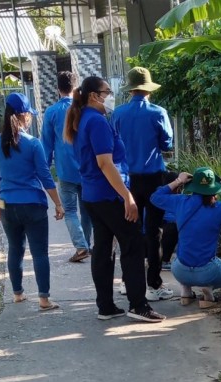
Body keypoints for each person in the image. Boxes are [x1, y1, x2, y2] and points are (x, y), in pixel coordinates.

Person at [64, 75, 165, 323]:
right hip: (108, 195)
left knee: (103, 249)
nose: (110, 96)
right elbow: (105, 163)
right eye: (106, 92)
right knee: (132, 246)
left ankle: (106, 306)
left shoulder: (83, 119)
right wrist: (127, 197)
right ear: (93, 96)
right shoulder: (96, 121)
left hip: (92, 195)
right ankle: (138, 304)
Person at [0, 93, 63, 312]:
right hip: (33, 205)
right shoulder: (32, 144)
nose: (30, 117)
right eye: (29, 113)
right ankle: (44, 299)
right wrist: (58, 204)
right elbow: (45, 177)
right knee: (40, 253)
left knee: (15, 249)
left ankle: (18, 294)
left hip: (8, 206)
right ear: (23, 115)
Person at [110, 67, 175, 302]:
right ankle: (154, 284)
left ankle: (128, 281)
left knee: (130, 230)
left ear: (130, 88)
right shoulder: (158, 112)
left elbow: (113, 145)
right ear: (148, 89)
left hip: (127, 180)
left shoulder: (117, 114)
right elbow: (167, 144)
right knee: (154, 231)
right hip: (153, 178)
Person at [150, 167, 221, 307]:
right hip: (206, 273)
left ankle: (186, 291)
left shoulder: (180, 201)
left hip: (179, 270)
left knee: (182, 258)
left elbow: (155, 197)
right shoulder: (219, 208)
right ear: (214, 188)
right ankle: (208, 291)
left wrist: (178, 181)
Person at [42, 71, 92, 263]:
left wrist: (44, 169)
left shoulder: (52, 112)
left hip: (65, 170)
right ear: (75, 86)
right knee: (87, 209)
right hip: (87, 169)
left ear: (58, 89)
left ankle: (81, 246)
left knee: (70, 210)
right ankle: (87, 244)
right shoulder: (84, 109)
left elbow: (46, 143)